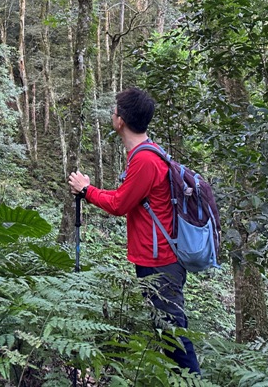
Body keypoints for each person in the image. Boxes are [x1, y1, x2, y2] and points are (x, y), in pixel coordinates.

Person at [67, 87, 201, 375]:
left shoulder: (144, 159)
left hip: (161, 263)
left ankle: (193, 381)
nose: (113, 115)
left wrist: (86, 190)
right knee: (167, 335)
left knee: (174, 337)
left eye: (115, 111)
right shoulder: (145, 153)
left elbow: (119, 204)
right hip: (158, 260)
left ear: (121, 121)